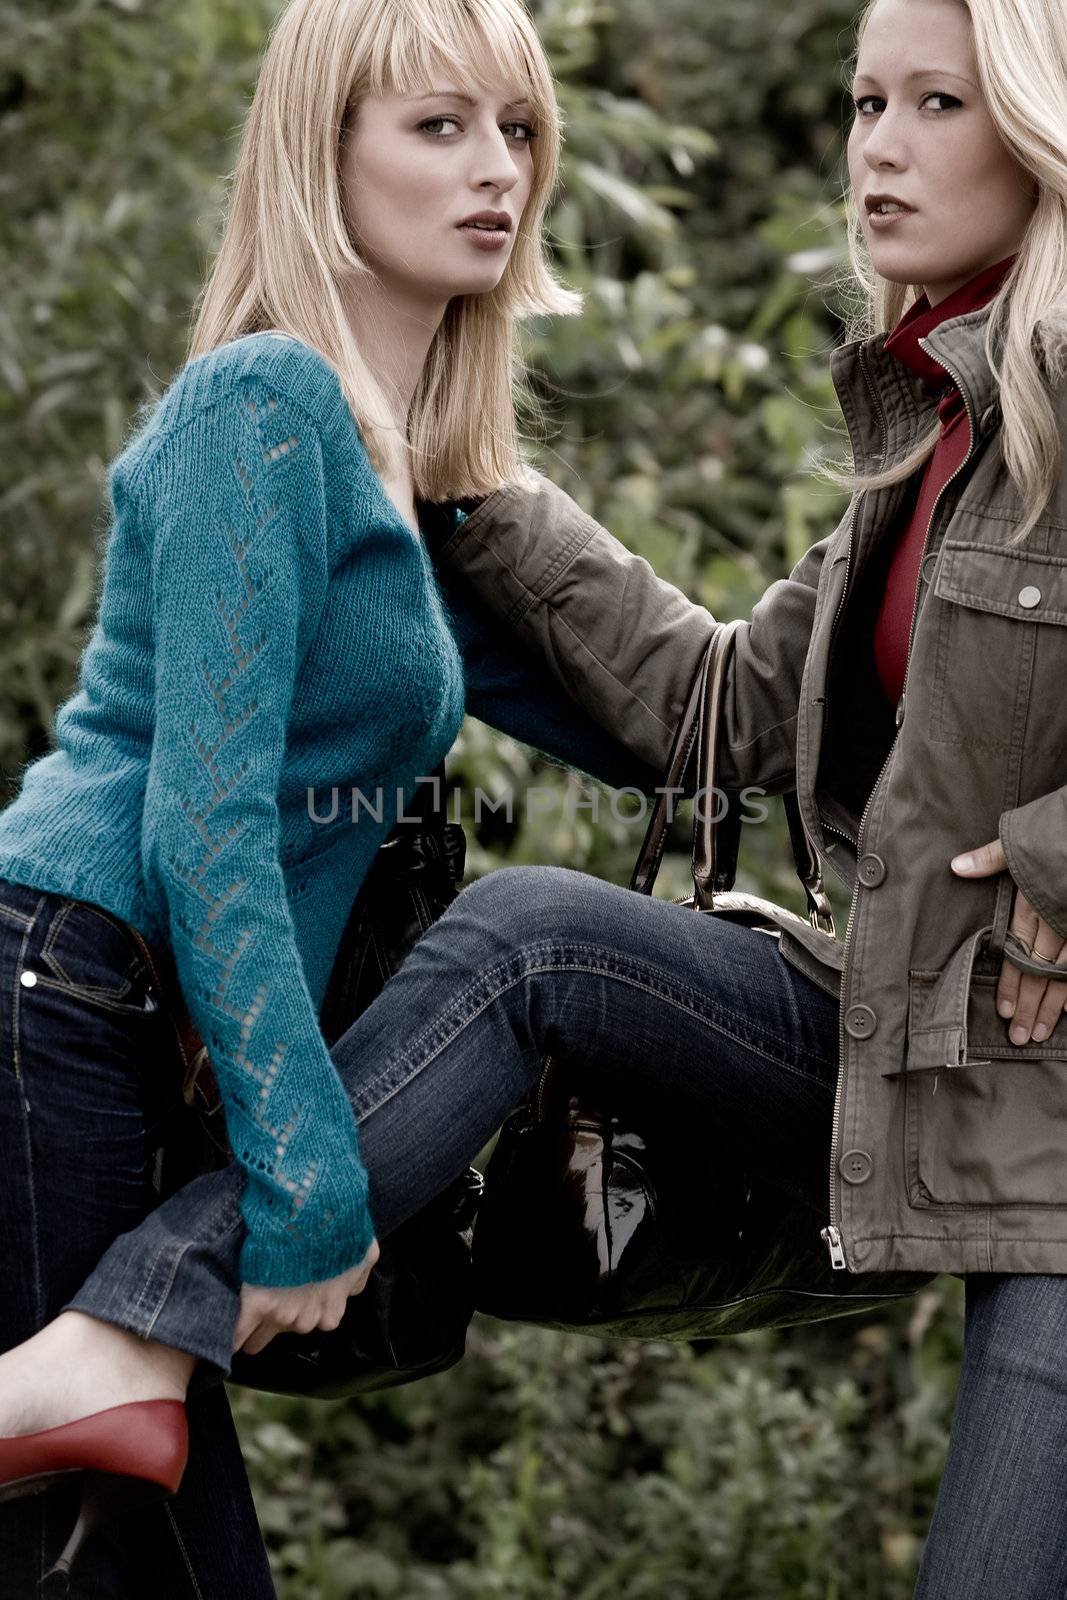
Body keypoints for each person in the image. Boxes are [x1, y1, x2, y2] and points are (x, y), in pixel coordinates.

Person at [5, 0, 1067, 1595]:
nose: (877, 149)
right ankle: (122, 1334)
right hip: (79, 994)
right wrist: (474, 494)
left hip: (1032, 1088)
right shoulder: (928, 438)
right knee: (524, 937)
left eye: (939, 103)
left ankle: (127, 1326)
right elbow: (719, 715)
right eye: (864, 103)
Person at [0, 0, 659, 1591]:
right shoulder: (262, 409)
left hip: (114, 1024)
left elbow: (662, 725)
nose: (495, 170)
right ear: (325, 153)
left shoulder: (390, 473)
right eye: (437, 127)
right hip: (56, 997)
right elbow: (203, 821)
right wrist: (306, 1169)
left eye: (516, 131)